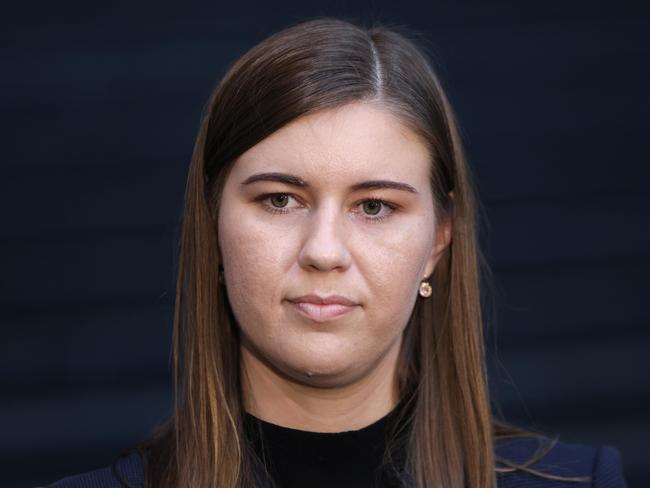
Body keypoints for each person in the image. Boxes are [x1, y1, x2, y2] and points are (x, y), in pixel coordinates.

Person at [47, 16, 628, 488]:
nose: (324, 252)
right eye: (280, 199)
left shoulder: (583, 481)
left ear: (438, 242)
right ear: (212, 226)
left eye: (374, 206)